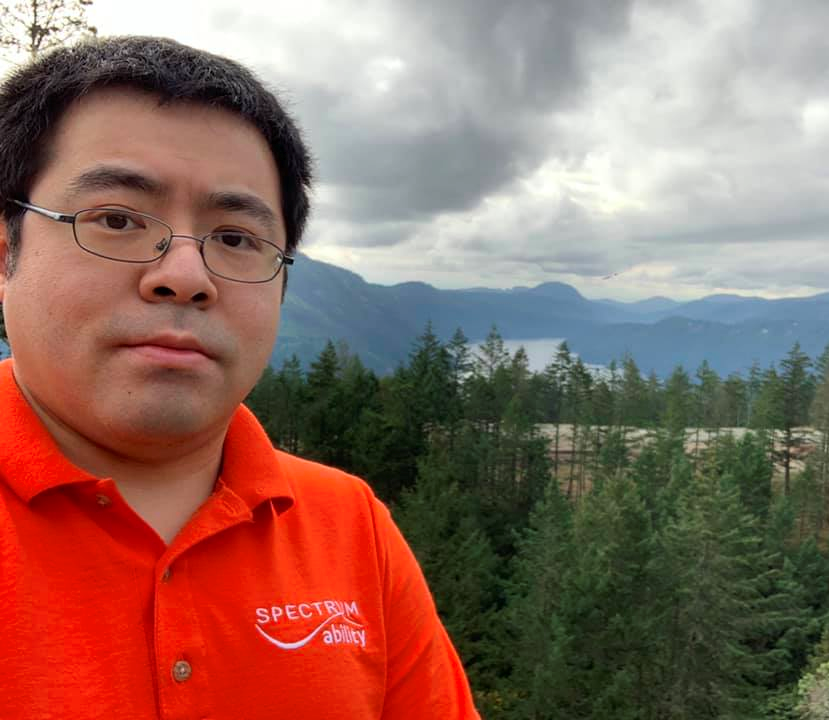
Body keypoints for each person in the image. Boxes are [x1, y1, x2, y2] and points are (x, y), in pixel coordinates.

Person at [0, 36, 480, 719]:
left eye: (235, 238)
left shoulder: (352, 529)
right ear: (6, 254)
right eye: (115, 219)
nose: (185, 277)